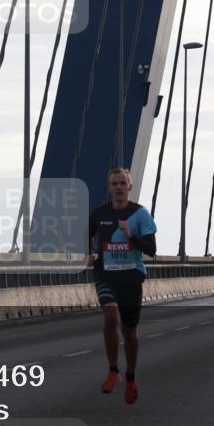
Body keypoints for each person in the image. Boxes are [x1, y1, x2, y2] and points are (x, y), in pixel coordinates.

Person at [86, 167, 157, 404]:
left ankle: (130, 377)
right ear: (109, 188)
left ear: (130, 187)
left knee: (129, 331)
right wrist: (89, 253)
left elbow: (151, 250)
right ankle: (113, 370)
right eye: (114, 184)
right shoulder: (99, 213)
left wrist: (130, 235)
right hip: (106, 275)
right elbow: (85, 236)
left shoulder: (140, 214)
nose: (118, 187)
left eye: (122, 183)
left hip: (131, 278)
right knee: (110, 317)